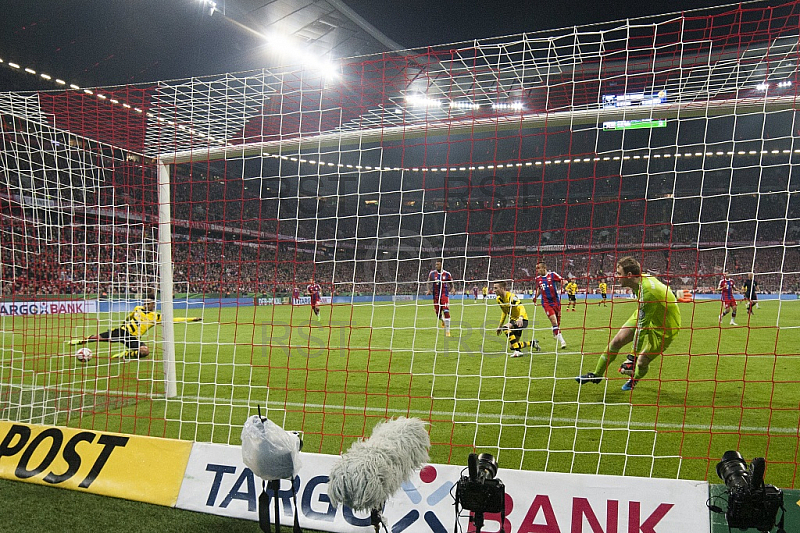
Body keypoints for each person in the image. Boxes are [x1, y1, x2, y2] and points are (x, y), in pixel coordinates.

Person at [576, 257, 681, 391]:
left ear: (629, 275)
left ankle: (634, 379)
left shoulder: (648, 291)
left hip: (666, 328)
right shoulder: (640, 281)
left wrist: (632, 358)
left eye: (619, 273)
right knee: (616, 341)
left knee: (642, 361)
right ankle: (596, 375)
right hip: (646, 312)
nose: (616, 276)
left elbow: (641, 328)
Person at [68, 291, 201, 359]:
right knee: (98, 337)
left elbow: (174, 319)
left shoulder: (156, 316)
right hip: (121, 331)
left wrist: (192, 319)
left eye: (151, 303)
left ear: (154, 304)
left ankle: (126, 354)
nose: (149, 304)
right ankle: (80, 341)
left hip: (132, 338)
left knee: (145, 351)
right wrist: (123, 324)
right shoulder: (137, 309)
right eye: (147, 302)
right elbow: (129, 317)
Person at [494, 281, 540, 357]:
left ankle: (517, 352)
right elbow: (504, 313)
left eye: (496, 288)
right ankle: (532, 343)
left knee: (505, 328)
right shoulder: (499, 299)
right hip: (513, 320)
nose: (494, 290)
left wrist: (520, 318)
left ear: (502, 288)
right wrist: (499, 326)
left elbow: (521, 307)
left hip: (522, 320)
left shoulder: (511, 297)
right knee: (512, 346)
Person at [533, 261, 567, 349]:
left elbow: (562, 280)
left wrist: (564, 284)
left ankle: (555, 331)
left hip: (556, 302)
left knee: (557, 323)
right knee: (554, 321)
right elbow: (539, 289)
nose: (537, 270)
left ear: (544, 268)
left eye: (538, 268)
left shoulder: (552, 275)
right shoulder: (538, 279)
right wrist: (535, 297)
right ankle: (562, 341)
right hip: (546, 303)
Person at [427, 259, 452, 336]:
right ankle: (443, 320)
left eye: (438, 264)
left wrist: (453, 288)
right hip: (436, 296)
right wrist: (428, 289)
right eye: (436, 264)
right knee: (438, 314)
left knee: (446, 311)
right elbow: (428, 281)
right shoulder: (432, 274)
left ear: (441, 265)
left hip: (444, 294)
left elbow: (451, 283)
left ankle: (447, 331)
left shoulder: (447, 274)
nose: (436, 266)